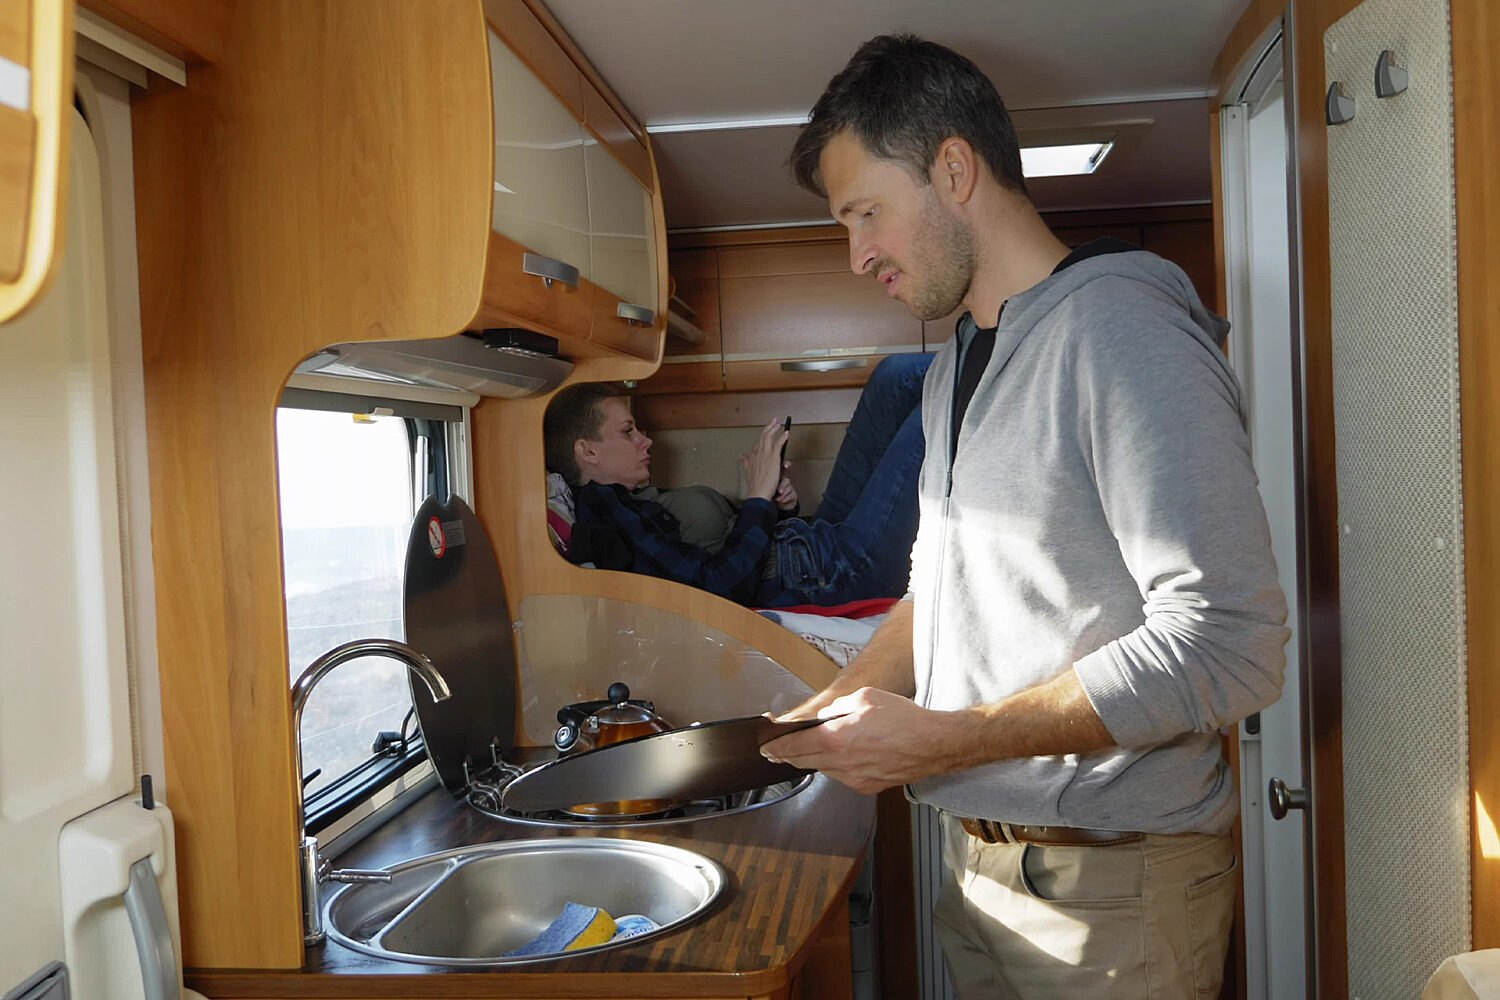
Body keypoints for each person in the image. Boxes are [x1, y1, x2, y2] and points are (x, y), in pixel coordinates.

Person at [758, 34, 1290, 999]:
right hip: (978, 872)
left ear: (953, 170)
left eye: (866, 212)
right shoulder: (951, 369)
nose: (857, 254)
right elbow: (935, 594)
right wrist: (826, 713)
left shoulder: (1118, 330)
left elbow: (1230, 644)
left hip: (1114, 889)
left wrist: (947, 739)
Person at [543, 352, 932, 608]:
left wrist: (776, 506)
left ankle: (976, 346)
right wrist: (758, 498)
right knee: (927, 420)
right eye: (628, 431)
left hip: (812, 541)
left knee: (895, 376)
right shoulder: (602, 510)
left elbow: (733, 546)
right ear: (587, 452)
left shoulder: (637, 499)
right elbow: (720, 589)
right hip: (834, 572)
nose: (646, 440)